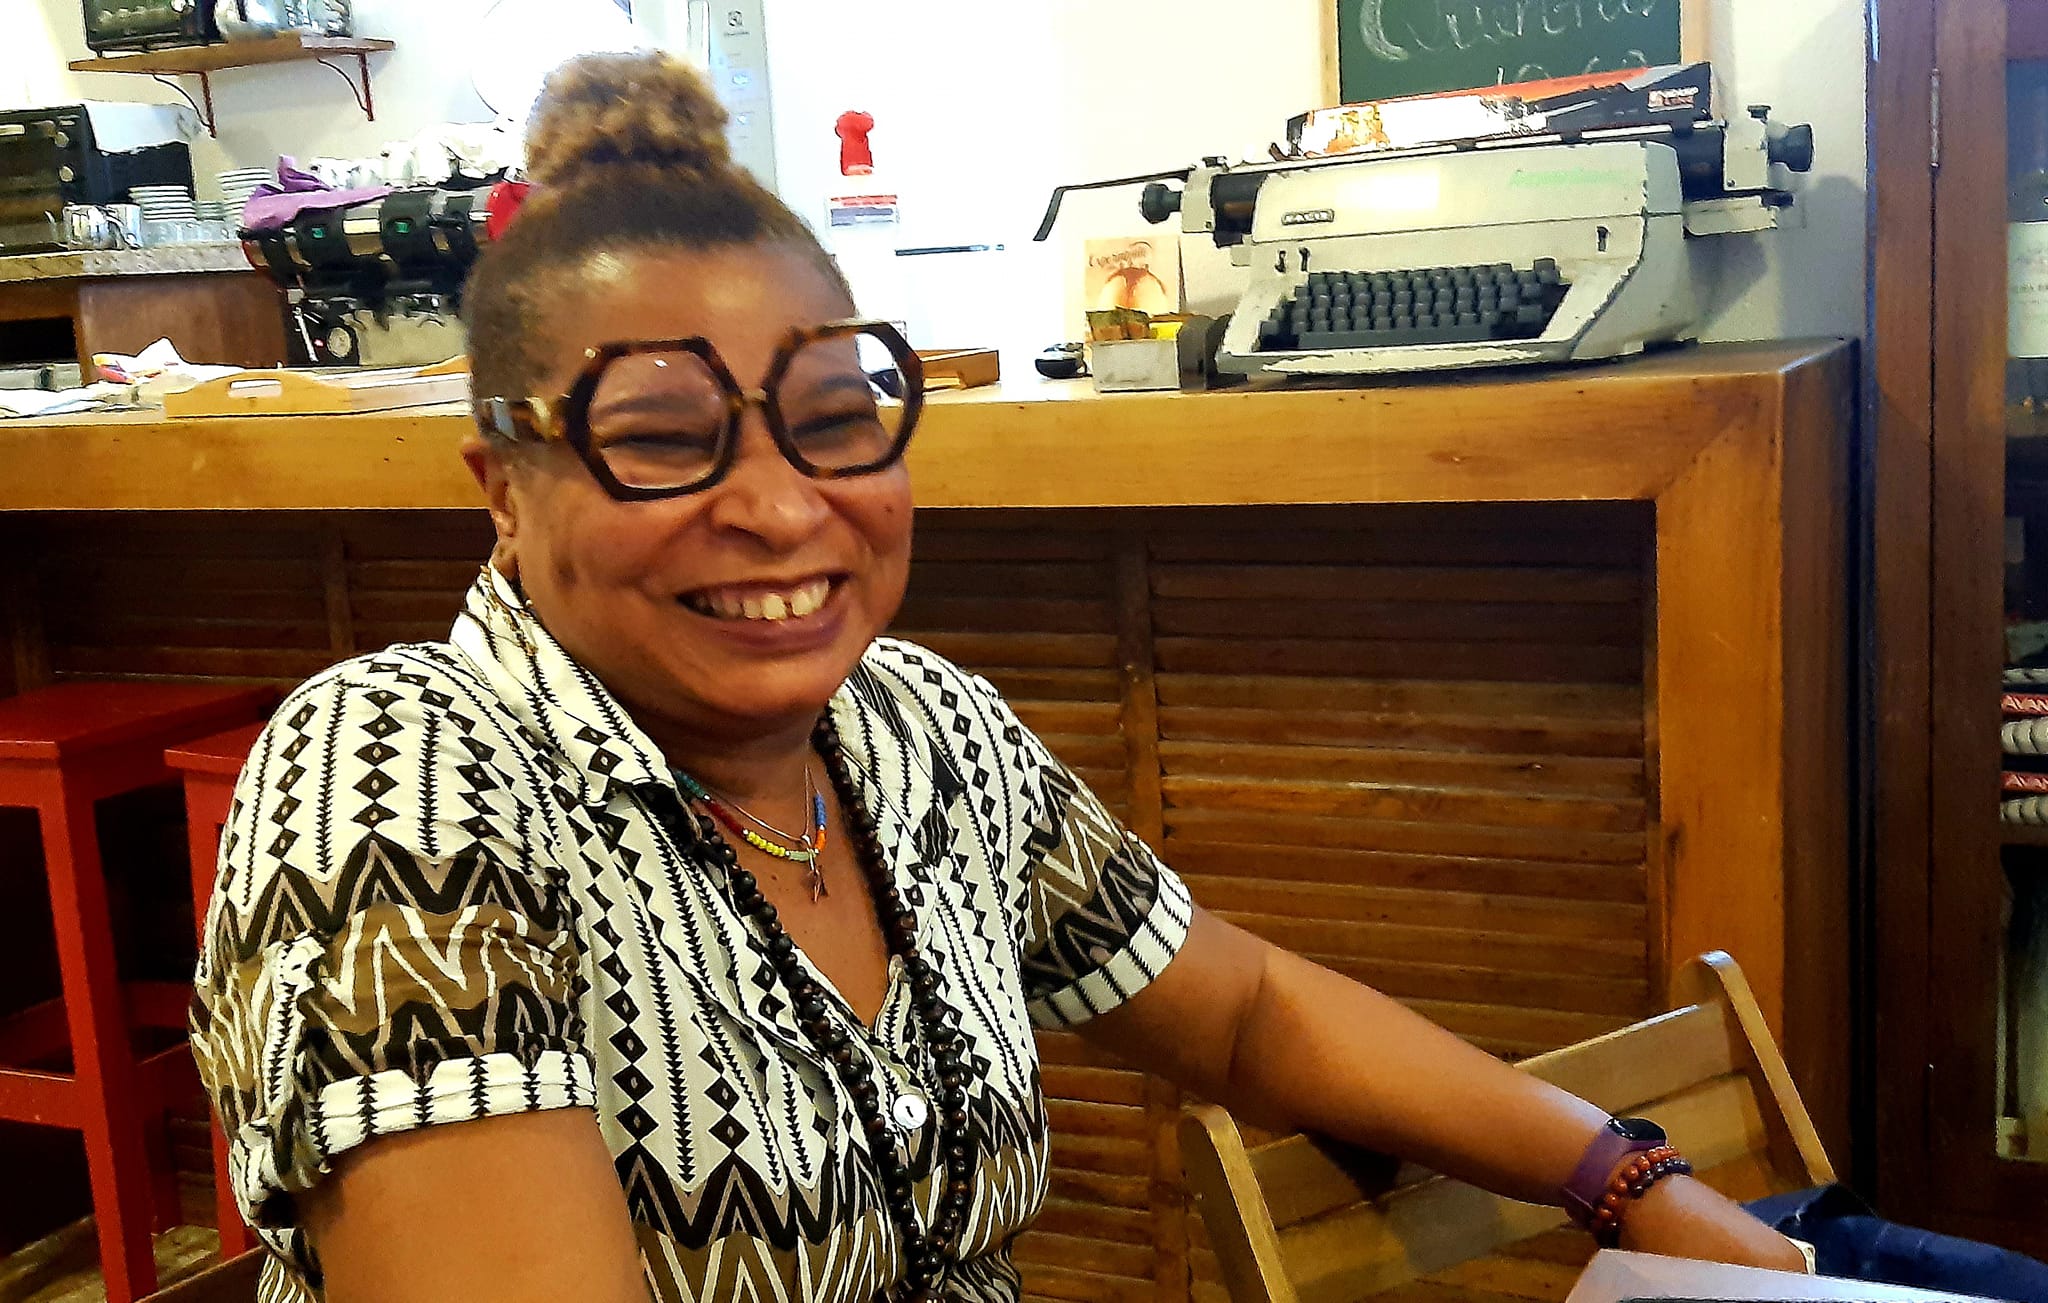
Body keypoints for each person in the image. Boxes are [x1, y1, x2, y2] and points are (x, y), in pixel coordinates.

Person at [190, 51, 1807, 1303]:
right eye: (662, 440)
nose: (781, 508)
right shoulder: (400, 782)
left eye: (834, 419)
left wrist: (1626, 1181)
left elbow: (1242, 1009)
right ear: (503, 485)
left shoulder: (919, 729)